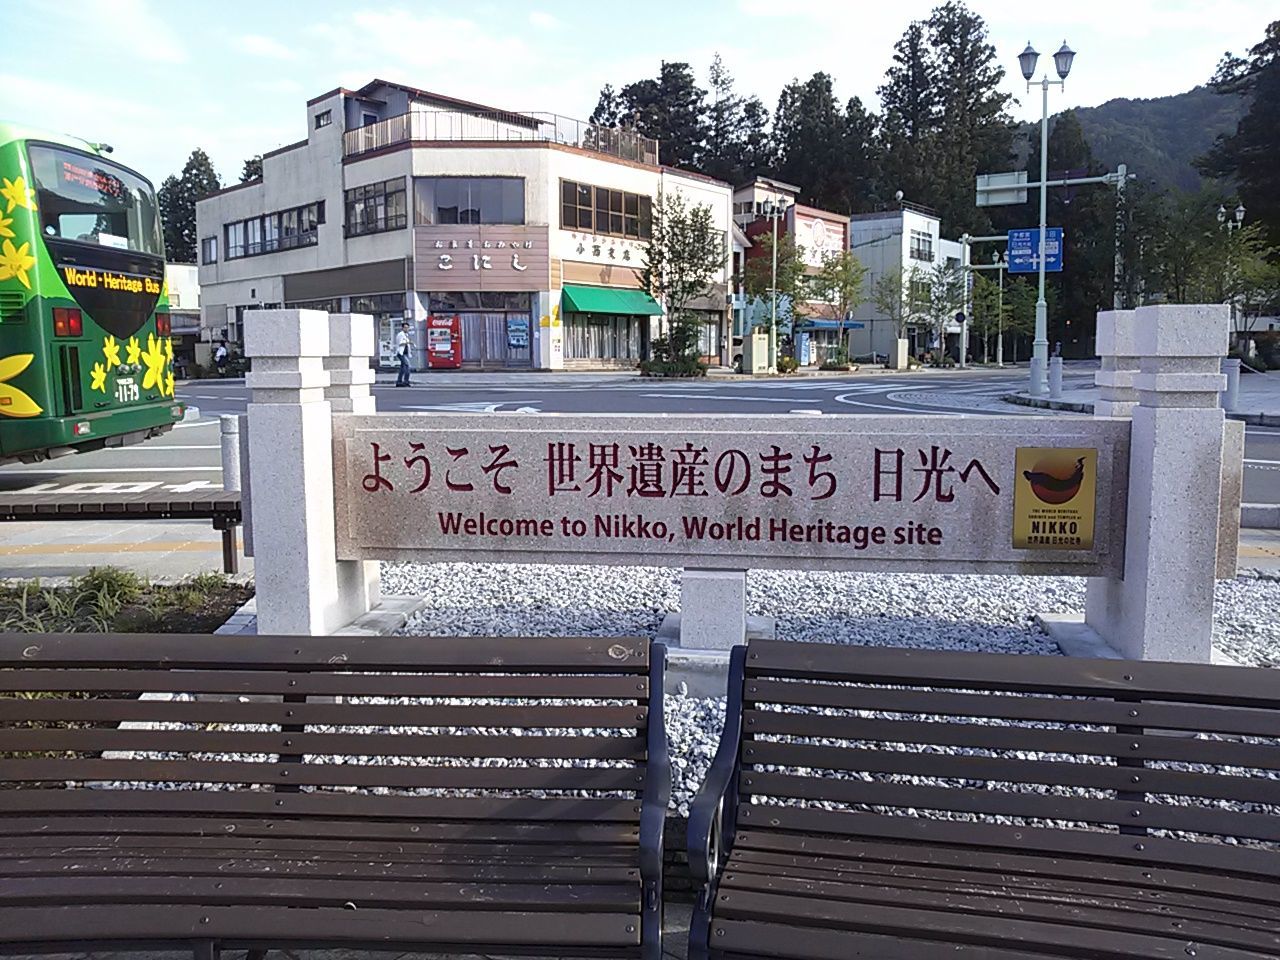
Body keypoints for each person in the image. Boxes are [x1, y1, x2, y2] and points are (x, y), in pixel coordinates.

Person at [395, 322, 413, 387]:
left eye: (407, 327)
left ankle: (399, 381)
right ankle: (406, 381)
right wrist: (408, 342)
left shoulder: (406, 335)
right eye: (405, 327)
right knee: (407, 366)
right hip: (401, 353)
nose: (407, 329)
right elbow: (400, 343)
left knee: (402, 368)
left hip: (404, 353)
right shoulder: (401, 334)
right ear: (402, 328)